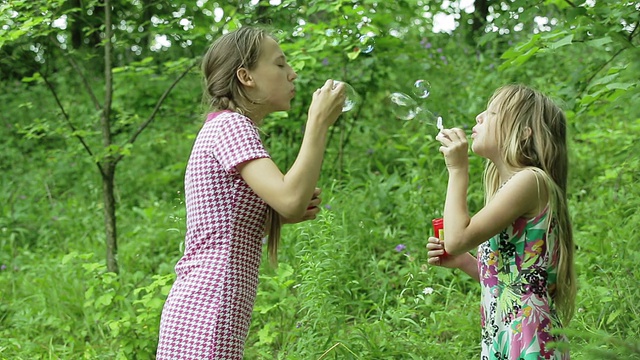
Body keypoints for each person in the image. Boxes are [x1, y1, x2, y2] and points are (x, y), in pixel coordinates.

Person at [156, 26, 346, 359]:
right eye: (280, 64)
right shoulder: (232, 126)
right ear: (246, 76)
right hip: (210, 303)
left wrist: (277, 214)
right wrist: (317, 123)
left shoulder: (222, 126)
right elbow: (289, 198)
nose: (292, 74)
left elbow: (233, 218)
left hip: (202, 304)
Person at [427, 84, 576, 359]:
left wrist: (457, 169)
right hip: (507, 337)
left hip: (528, 341)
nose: (478, 117)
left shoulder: (531, 180)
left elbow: (457, 238)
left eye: (492, 112)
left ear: (523, 133)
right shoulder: (511, 186)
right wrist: (463, 261)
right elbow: (508, 284)